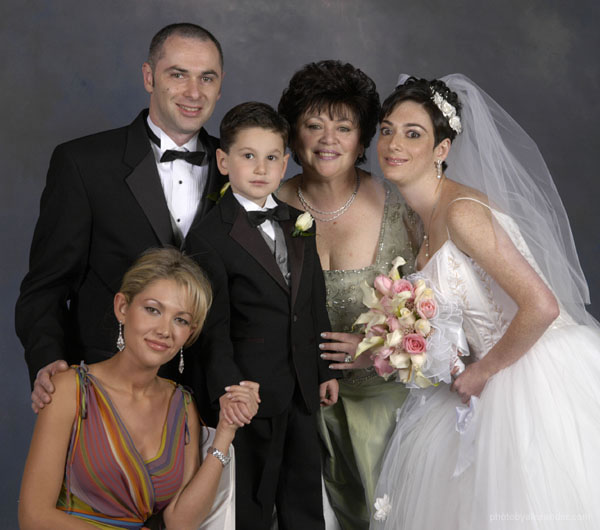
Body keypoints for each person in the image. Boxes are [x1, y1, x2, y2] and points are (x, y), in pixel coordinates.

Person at [371, 75, 600, 529]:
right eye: (386, 130)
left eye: (413, 134)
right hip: (483, 380)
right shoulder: (420, 220)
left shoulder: (461, 212)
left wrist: (482, 371)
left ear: (441, 149)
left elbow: (542, 306)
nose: (394, 144)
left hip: (531, 374)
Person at [16, 23, 227, 413]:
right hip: (106, 391)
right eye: (178, 74)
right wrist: (47, 359)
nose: (194, 92)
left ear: (220, 85)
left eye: (207, 78)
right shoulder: (83, 163)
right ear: (149, 77)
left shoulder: (240, 168)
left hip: (214, 395)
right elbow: (45, 287)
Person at [18, 247, 260, 529]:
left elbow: (180, 523)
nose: (164, 330)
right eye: (152, 310)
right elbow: (33, 517)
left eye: (180, 320)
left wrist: (225, 434)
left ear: (189, 333)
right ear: (122, 308)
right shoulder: (69, 389)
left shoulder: (182, 406)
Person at [276, 60, 417, 528]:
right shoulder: (265, 205)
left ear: (362, 139)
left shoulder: (401, 205)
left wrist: (380, 350)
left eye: (343, 127)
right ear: (293, 134)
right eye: (313, 124)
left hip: (385, 411)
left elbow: (444, 311)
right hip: (296, 411)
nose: (328, 139)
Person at [187, 101, 340, 530]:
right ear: (223, 161)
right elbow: (212, 331)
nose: (261, 168)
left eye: (272, 157)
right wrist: (231, 391)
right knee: (251, 504)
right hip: (248, 395)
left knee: (303, 496)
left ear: (285, 163)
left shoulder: (300, 222)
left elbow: (313, 302)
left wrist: (324, 368)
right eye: (248, 156)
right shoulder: (208, 237)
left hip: (301, 388)